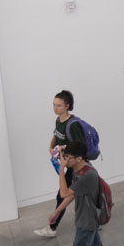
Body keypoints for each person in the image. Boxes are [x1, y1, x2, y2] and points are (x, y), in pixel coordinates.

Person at [59, 142, 111, 246]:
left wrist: (62, 170)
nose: (65, 160)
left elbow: (64, 192)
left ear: (79, 158)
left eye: (68, 157)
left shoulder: (88, 175)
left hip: (86, 223)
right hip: (87, 220)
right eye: (64, 156)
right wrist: (57, 211)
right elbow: (74, 193)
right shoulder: (78, 168)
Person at [33, 90, 79, 238]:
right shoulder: (59, 120)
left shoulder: (73, 125)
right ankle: (96, 220)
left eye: (59, 106)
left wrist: (63, 148)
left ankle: (52, 227)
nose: (55, 108)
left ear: (67, 106)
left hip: (77, 166)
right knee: (83, 194)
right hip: (69, 165)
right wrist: (51, 146)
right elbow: (56, 135)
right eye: (53, 105)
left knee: (62, 195)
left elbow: (79, 146)